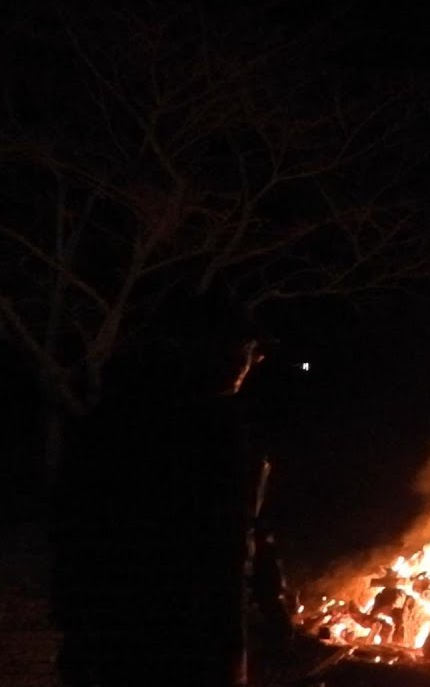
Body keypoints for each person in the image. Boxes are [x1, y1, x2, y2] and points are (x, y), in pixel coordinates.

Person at [51, 287, 264, 687]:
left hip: (133, 634)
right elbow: (219, 549)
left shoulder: (112, 415)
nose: (248, 362)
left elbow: (237, 539)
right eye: (241, 348)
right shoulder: (193, 429)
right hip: (160, 637)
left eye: (250, 349)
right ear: (198, 350)